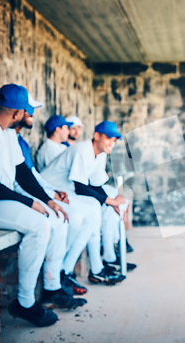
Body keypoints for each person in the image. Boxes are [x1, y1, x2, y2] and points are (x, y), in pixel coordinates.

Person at [0, 84, 85, 327]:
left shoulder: (6, 131)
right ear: (17, 113)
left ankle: (49, 287)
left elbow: (22, 173)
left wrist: (47, 200)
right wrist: (30, 202)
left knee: (51, 217)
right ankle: (25, 303)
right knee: (39, 225)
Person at [14, 96, 99, 295]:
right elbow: (20, 180)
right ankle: (48, 284)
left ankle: (59, 276)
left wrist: (51, 193)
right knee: (66, 218)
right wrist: (48, 196)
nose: (33, 114)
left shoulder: (20, 141)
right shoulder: (39, 146)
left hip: (41, 191)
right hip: (16, 196)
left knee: (83, 215)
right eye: (29, 110)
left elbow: (31, 174)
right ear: (16, 112)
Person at [40, 120, 135, 283]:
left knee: (95, 212)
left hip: (67, 192)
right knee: (93, 210)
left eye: (114, 140)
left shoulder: (101, 153)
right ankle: (70, 269)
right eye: (108, 138)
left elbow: (95, 184)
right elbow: (80, 186)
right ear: (96, 136)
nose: (112, 143)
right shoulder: (83, 149)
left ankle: (75, 269)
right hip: (49, 189)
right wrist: (109, 201)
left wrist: (110, 202)